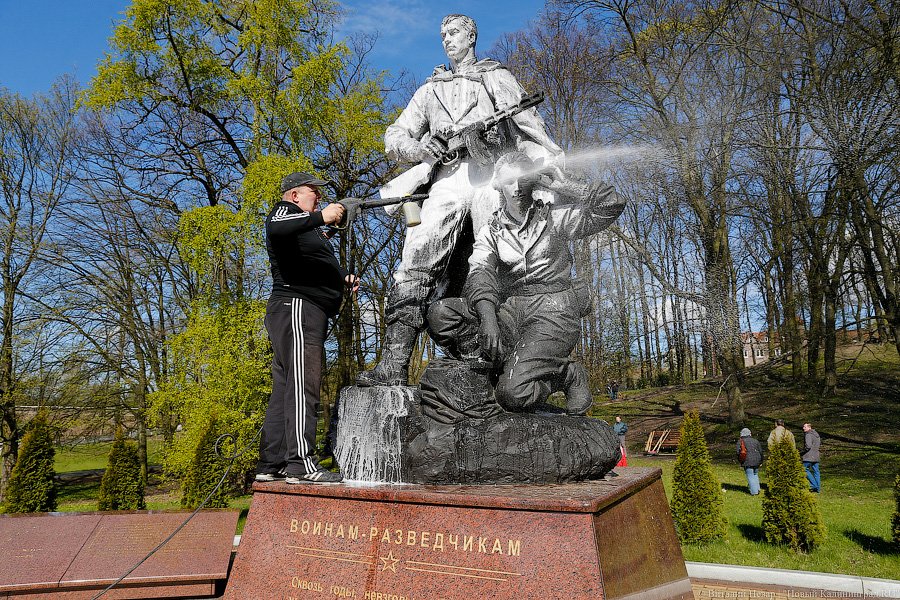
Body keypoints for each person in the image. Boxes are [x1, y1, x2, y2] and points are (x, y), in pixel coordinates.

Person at [356, 14, 563, 387]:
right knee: (415, 259)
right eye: (442, 35)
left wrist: (543, 168)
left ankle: (501, 354)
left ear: (471, 36)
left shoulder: (496, 77)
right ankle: (393, 360)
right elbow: (394, 136)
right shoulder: (430, 89)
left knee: (499, 257)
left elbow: (531, 126)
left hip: (491, 177)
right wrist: (421, 148)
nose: (447, 40)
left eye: (454, 33)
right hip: (447, 181)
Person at [428, 152, 624, 414]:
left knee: (513, 395)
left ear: (533, 181)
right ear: (498, 185)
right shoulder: (492, 230)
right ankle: (489, 366)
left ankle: (564, 374)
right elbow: (480, 271)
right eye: (509, 181)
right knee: (441, 314)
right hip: (511, 310)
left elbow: (611, 205)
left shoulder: (555, 218)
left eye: (523, 179)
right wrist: (487, 318)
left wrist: (566, 184)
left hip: (553, 311)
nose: (517, 187)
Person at [255, 172, 359, 485]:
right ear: (296, 195)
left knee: (286, 389)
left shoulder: (307, 229)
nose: (318, 197)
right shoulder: (285, 211)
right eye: (314, 192)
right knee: (303, 386)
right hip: (298, 308)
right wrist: (320, 216)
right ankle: (302, 464)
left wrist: (341, 279)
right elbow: (277, 227)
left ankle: (270, 464)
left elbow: (313, 255)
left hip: (295, 312)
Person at [737, 427, 763, 495]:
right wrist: (761, 461)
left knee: (750, 475)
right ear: (750, 434)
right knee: (755, 474)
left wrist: (740, 462)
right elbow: (761, 451)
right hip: (757, 460)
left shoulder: (740, 441)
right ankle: (757, 489)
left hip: (747, 461)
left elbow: (738, 452)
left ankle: (754, 492)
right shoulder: (755, 441)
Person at [801, 422, 821, 493]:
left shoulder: (808, 435)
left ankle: (813, 485)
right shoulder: (816, 435)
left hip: (809, 456)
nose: (803, 428)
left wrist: (802, 452)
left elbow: (808, 446)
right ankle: (818, 488)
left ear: (809, 427)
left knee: (804, 469)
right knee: (816, 472)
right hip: (816, 456)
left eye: (805, 427)